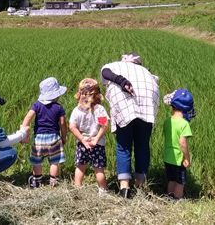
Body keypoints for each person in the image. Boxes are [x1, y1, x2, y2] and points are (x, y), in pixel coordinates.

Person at [101, 52, 160, 198]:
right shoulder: (145, 71)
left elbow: (105, 72)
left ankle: (124, 189)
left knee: (123, 145)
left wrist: (120, 81)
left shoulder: (115, 65)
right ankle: (139, 186)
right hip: (148, 102)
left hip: (124, 101)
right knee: (142, 145)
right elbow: (155, 81)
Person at [21, 77, 67, 187]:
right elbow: (63, 123)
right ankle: (54, 182)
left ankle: (36, 181)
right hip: (54, 137)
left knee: (37, 161)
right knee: (54, 162)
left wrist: (24, 132)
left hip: (39, 138)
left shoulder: (36, 105)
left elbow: (28, 118)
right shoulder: (58, 107)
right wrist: (64, 136)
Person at [69, 78, 110, 194]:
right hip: (97, 144)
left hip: (83, 144)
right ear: (97, 94)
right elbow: (104, 125)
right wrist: (96, 139)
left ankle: (78, 187)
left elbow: (72, 127)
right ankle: (102, 190)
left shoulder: (77, 110)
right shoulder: (99, 110)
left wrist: (82, 139)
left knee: (80, 166)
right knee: (98, 169)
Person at [162, 89, 195, 200]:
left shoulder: (167, 121)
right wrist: (187, 158)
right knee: (180, 182)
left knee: (171, 180)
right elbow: (182, 143)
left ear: (172, 107)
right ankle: (177, 200)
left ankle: (169, 197)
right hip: (178, 158)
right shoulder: (184, 124)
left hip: (167, 156)